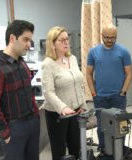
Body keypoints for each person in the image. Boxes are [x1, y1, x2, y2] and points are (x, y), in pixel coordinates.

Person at [0, 20, 40, 160]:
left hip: (32, 123)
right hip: (14, 129)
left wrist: (36, 116)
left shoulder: (22, 63)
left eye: (30, 40)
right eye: (25, 40)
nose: (29, 44)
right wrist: (4, 132)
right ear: (12, 38)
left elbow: (29, 93)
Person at [41, 26, 88, 160]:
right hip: (57, 114)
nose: (66, 42)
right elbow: (48, 92)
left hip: (75, 111)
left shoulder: (72, 58)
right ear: (53, 43)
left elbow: (79, 84)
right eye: (62, 40)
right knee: (59, 151)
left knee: (75, 147)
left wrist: (82, 105)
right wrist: (63, 108)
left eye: (67, 39)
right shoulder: (48, 64)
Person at [86, 23, 132, 152]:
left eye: (112, 37)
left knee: (119, 124)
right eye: (106, 37)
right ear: (102, 36)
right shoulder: (93, 52)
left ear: (116, 36)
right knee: (102, 125)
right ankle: (104, 149)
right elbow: (88, 74)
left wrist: (123, 92)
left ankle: (119, 150)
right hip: (100, 97)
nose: (109, 40)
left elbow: (129, 73)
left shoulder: (123, 51)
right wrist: (93, 93)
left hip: (118, 97)